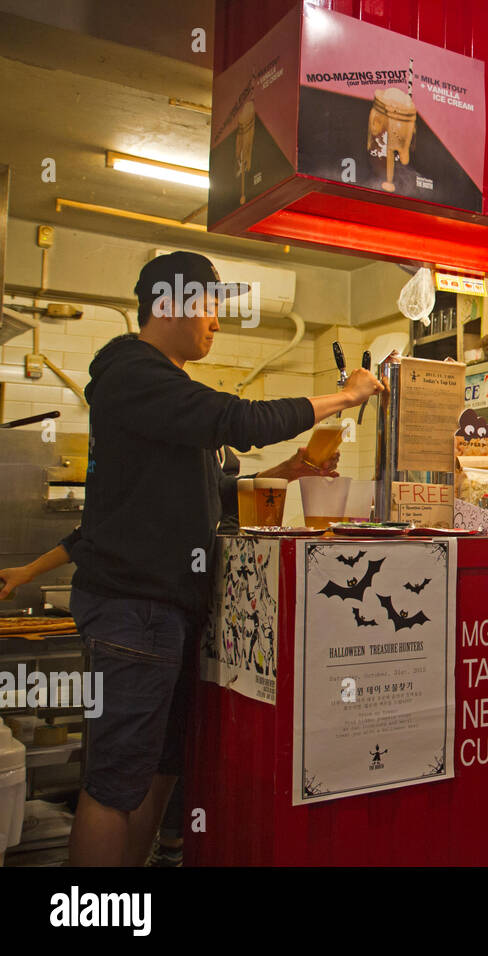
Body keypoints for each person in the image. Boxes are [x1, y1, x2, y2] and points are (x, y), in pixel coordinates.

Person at [0, 250, 384, 867]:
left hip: (169, 610)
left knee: (161, 771)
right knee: (116, 783)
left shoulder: (160, 390)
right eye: (208, 307)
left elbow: (202, 496)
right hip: (135, 611)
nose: (217, 322)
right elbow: (242, 420)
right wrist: (344, 396)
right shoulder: (135, 375)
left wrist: (285, 472)